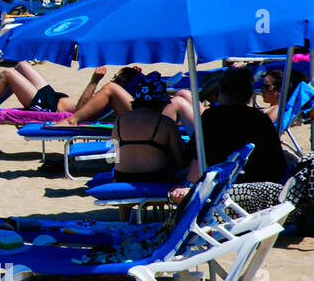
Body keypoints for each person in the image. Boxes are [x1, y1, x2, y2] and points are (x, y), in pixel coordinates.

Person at [170, 67, 287, 202]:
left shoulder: (212, 117)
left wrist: (188, 186)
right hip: (263, 191)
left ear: (221, 92)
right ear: (249, 94)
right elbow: (278, 164)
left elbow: (200, 159)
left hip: (221, 191)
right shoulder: (261, 119)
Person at [109, 73, 186, 183]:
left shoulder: (119, 121)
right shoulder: (165, 123)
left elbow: (115, 154)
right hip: (156, 178)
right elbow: (180, 160)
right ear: (160, 102)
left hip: (122, 177)